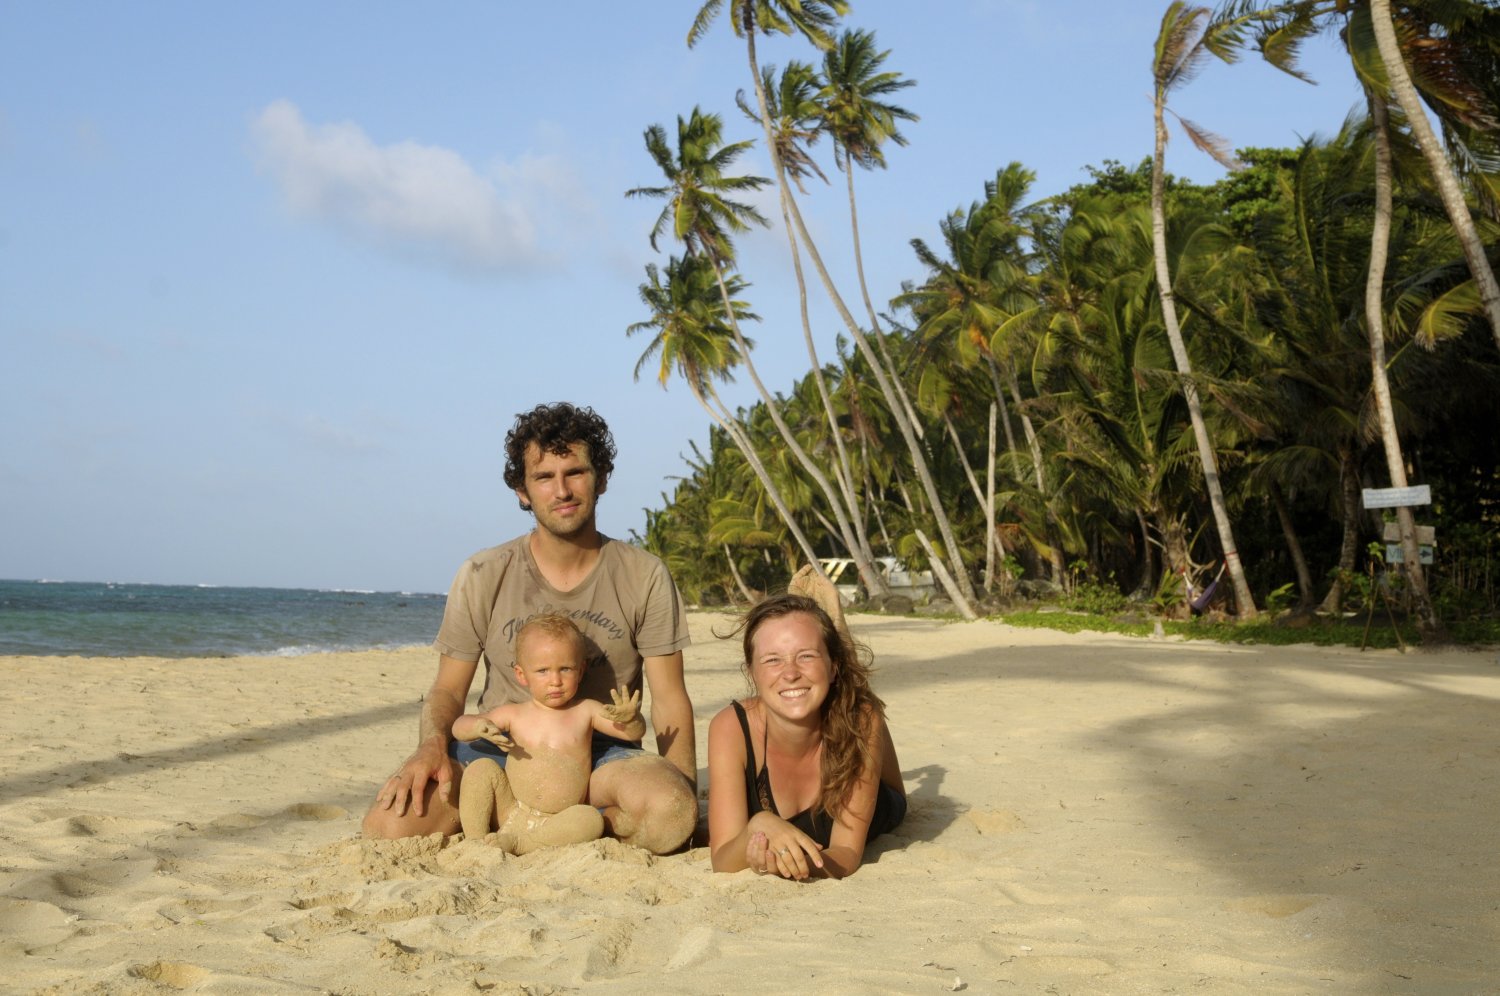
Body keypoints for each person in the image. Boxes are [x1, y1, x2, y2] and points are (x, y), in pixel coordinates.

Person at [362, 402, 697, 854]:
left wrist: (685, 796)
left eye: (575, 472)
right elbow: (447, 690)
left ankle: (570, 823)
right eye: (544, 477)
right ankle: (527, 819)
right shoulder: (483, 573)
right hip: (499, 751)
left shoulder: (643, 575)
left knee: (670, 813)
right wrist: (431, 748)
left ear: (601, 479)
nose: (562, 490)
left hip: (603, 757)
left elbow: (671, 699)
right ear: (522, 491)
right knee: (387, 829)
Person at [706, 567, 906, 879]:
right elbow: (722, 859)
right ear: (751, 672)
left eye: (806, 656)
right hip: (829, 691)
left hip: (881, 797)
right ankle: (818, 637)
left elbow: (846, 853)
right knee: (847, 700)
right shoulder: (731, 727)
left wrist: (791, 864)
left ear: (832, 666)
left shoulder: (863, 721)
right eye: (773, 659)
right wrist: (757, 826)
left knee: (859, 707)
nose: (790, 673)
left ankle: (833, 633)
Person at [452, 613, 645, 854]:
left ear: (581, 671)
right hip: (510, 810)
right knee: (480, 769)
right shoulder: (514, 713)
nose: (555, 680)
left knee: (590, 820)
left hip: (557, 822)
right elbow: (458, 727)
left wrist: (631, 719)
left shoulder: (586, 711)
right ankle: (476, 841)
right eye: (543, 671)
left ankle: (522, 844)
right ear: (522, 675)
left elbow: (631, 734)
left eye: (565, 669)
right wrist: (477, 726)